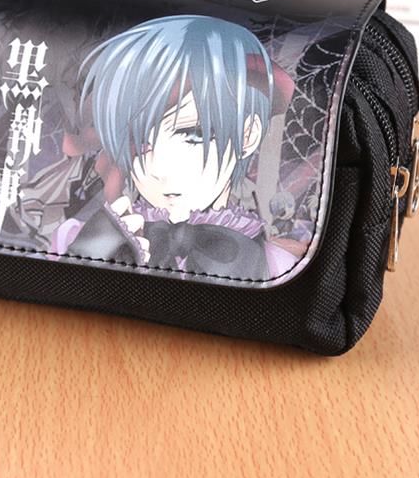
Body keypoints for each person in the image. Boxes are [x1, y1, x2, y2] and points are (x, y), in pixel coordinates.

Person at [55, 14, 296, 280]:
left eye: (192, 135)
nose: (157, 168)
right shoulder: (80, 240)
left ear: (248, 135)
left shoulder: (279, 266)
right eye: (139, 141)